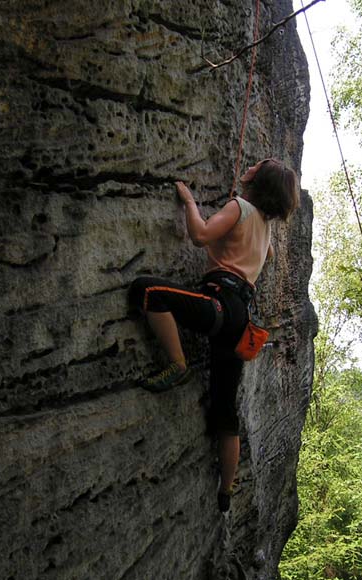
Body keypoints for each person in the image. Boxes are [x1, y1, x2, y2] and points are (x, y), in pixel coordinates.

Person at [128, 158, 300, 512]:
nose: (250, 166)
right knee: (225, 412)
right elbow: (262, 251)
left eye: (257, 166)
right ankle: (225, 491)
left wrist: (190, 202)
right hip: (240, 320)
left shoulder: (240, 207)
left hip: (219, 303)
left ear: (260, 179)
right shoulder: (266, 226)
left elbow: (201, 235)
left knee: (148, 292)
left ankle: (177, 364)